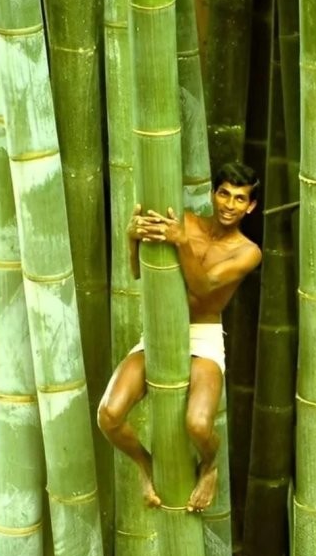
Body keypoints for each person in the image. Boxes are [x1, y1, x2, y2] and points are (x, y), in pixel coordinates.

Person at [98, 162, 261, 512]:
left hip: (203, 337)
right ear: (213, 194)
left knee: (199, 425)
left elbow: (203, 289)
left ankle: (210, 465)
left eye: (239, 199)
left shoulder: (247, 252)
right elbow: (139, 271)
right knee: (108, 416)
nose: (229, 205)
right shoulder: (185, 222)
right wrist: (132, 239)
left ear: (250, 206)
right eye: (224, 194)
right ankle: (146, 464)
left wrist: (181, 243)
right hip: (159, 330)